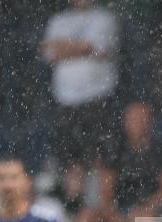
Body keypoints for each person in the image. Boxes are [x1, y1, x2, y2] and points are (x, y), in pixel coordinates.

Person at [41, 0, 118, 210]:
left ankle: (105, 207)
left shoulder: (104, 18)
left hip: (97, 97)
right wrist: (82, 47)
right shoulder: (58, 20)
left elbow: (100, 49)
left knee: (102, 155)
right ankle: (74, 203)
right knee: (71, 155)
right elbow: (49, 52)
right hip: (65, 99)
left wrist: (66, 47)